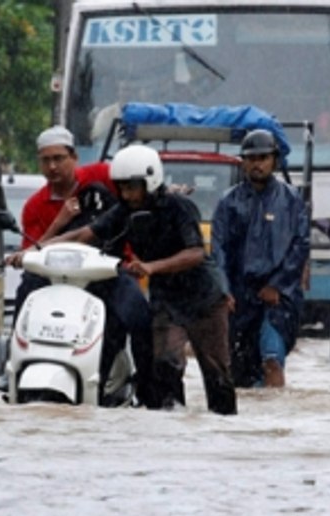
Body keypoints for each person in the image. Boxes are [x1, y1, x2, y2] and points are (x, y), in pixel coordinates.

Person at [36, 145, 237, 414]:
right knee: (165, 364)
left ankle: (223, 430)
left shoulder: (180, 207)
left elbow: (196, 253)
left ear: (151, 181)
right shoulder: (124, 210)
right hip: (167, 299)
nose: (128, 195)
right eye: (122, 188)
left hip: (204, 299)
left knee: (217, 374)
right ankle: (173, 423)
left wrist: (152, 267)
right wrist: (38, 248)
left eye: (133, 187)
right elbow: (85, 234)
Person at [6, 126, 155, 405]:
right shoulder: (34, 206)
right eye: (46, 160)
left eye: (59, 158)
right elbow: (34, 252)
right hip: (56, 280)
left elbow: (136, 188)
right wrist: (60, 220)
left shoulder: (101, 175)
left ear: (74, 157)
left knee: (139, 315)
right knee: (26, 291)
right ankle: (13, 366)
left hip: (108, 272)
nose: (53, 166)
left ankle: (147, 387)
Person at [212, 129, 309, 389]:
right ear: (243, 162)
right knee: (239, 370)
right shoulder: (228, 202)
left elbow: (300, 246)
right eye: (251, 158)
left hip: (279, 298)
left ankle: (275, 418)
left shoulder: (291, 200)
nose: (257, 164)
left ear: (274, 160)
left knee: (271, 360)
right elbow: (218, 250)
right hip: (239, 298)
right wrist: (223, 291)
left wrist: (277, 285)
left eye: (263, 158)